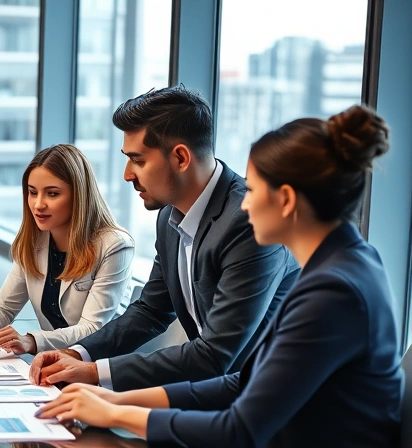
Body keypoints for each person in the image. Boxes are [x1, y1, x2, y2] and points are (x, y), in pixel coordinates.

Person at [36, 105, 400, 448]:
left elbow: (239, 427)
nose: (245, 203)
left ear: (286, 200)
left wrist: (117, 413)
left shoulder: (334, 291)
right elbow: (240, 383)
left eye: (256, 190)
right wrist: (113, 403)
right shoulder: (340, 268)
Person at [29, 86, 299, 392]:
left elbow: (215, 356)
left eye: (138, 160)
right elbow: (151, 311)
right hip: (212, 394)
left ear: (181, 158)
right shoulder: (169, 216)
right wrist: (77, 353)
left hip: (263, 401)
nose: (127, 174)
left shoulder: (249, 222)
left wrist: (94, 372)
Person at [0, 144, 134, 354]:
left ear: (80, 195)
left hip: (97, 363)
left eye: (52, 194)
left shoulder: (115, 245)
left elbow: (93, 329)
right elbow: (4, 307)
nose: (38, 204)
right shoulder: (35, 240)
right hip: (54, 360)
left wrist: (31, 341)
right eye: (32, 192)